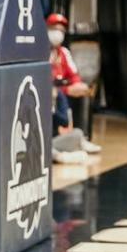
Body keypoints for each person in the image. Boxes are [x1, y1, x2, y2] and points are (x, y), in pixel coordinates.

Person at [47, 13, 101, 164]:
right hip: (50, 94)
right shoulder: (40, 51)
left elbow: (74, 77)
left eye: (61, 30)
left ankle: (80, 139)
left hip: (62, 92)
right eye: (53, 29)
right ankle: (58, 153)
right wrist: (62, 91)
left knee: (83, 91)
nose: (57, 33)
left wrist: (75, 87)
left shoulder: (64, 53)